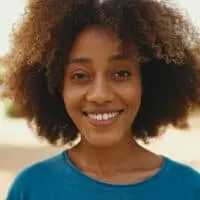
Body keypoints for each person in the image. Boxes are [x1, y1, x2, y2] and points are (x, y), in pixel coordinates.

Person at [3, 0, 200, 199]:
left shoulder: (190, 189)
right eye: (80, 76)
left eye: (121, 73)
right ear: (56, 87)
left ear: (146, 83)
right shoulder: (30, 189)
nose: (100, 95)